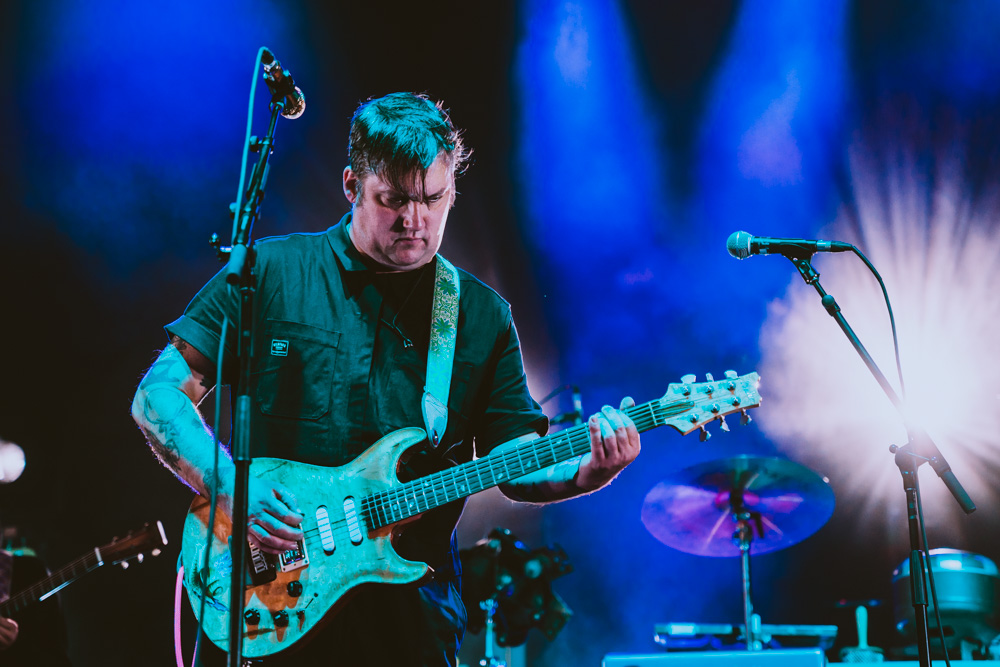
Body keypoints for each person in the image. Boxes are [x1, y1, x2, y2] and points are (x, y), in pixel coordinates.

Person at [131, 91, 640, 666]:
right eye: (393, 199)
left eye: (433, 198)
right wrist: (229, 483)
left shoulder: (479, 315)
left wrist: (588, 471)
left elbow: (514, 460)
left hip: (410, 620)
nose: (414, 220)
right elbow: (158, 395)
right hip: (267, 600)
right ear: (352, 185)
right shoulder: (269, 273)